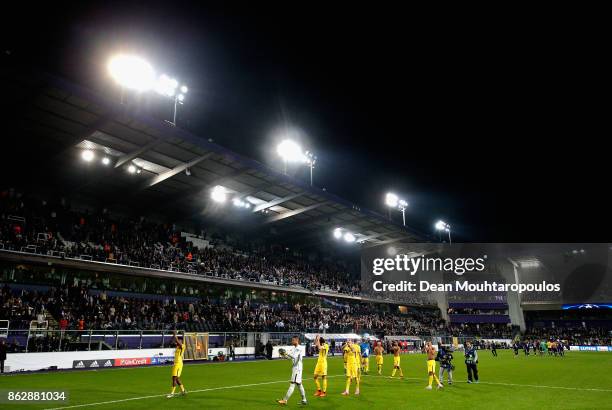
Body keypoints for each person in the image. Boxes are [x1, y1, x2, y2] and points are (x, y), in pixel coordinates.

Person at [277, 336, 307, 406]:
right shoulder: (293, 348)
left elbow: (294, 356)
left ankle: (285, 400)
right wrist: (283, 355)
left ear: (297, 340)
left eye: (293, 340)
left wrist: (286, 353)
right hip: (295, 368)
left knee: (292, 384)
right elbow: (289, 357)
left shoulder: (299, 348)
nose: (292, 341)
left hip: (297, 368)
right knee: (299, 385)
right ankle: (304, 400)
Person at [167, 331, 186, 398]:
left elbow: (178, 342)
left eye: (179, 340)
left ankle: (172, 393)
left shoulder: (183, 346)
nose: (178, 341)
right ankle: (183, 391)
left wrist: (175, 335)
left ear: (181, 341)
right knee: (177, 378)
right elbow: (169, 343)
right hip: (176, 364)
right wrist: (173, 336)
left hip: (178, 364)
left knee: (174, 378)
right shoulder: (177, 346)